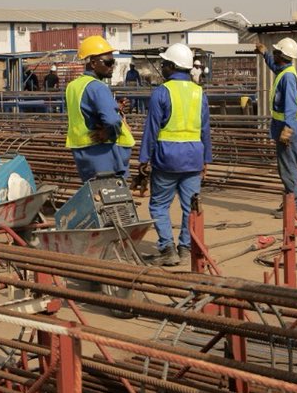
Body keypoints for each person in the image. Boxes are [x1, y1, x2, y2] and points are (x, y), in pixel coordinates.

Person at [138, 43, 213, 266]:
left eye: (164, 64)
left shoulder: (161, 92)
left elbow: (151, 129)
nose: (162, 67)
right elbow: (205, 130)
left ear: (172, 66)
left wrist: (144, 158)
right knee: (190, 206)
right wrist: (206, 159)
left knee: (159, 205)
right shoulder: (200, 93)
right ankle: (185, 248)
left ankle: (167, 249)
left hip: (166, 158)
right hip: (193, 158)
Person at [65, 36, 134, 181]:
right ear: (93, 63)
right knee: (111, 197)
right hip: (102, 152)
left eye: (113, 62)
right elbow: (112, 121)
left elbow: (84, 111)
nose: (112, 66)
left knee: (94, 196)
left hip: (82, 153)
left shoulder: (73, 86)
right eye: (108, 62)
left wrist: (115, 106)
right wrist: (108, 133)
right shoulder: (98, 87)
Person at [255, 37, 297, 217]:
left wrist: (287, 130)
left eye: (275, 52)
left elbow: (291, 105)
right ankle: (291, 202)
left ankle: (294, 207)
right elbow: (275, 67)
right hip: (283, 126)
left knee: (288, 168)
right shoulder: (284, 70)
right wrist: (264, 53)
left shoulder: (288, 77)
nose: (273, 54)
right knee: (286, 167)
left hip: (287, 128)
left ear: (282, 55)